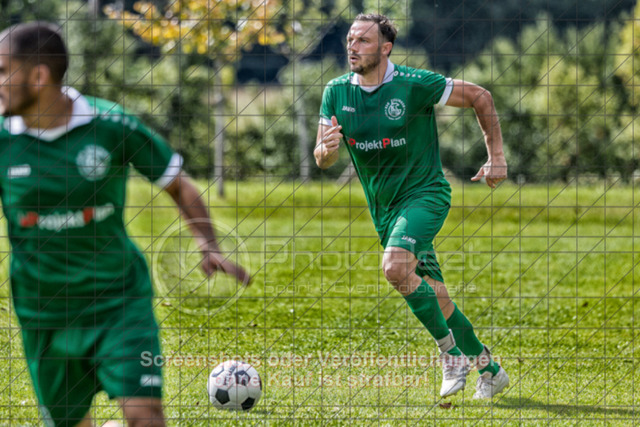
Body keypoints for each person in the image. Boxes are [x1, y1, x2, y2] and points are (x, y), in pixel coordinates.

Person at [0, 22, 250, 426]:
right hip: (43, 311)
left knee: (145, 415)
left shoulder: (111, 126)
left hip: (118, 301)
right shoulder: (2, 140)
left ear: (38, 76)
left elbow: (178, 184)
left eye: (2, 71)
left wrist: (208, 244)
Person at [315, 13, 509, 399]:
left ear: (385, 48)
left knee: (394, 267)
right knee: (437, 296)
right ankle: (489, 369)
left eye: (363, 41)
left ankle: (450, 355)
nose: (353, 46)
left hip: (426, 195)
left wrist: (497, 157)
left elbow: (480, 96)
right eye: (350, 39)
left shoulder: (414, 84)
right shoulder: (335, 92)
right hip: (385, 212)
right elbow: (323, 157)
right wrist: (326, 149)